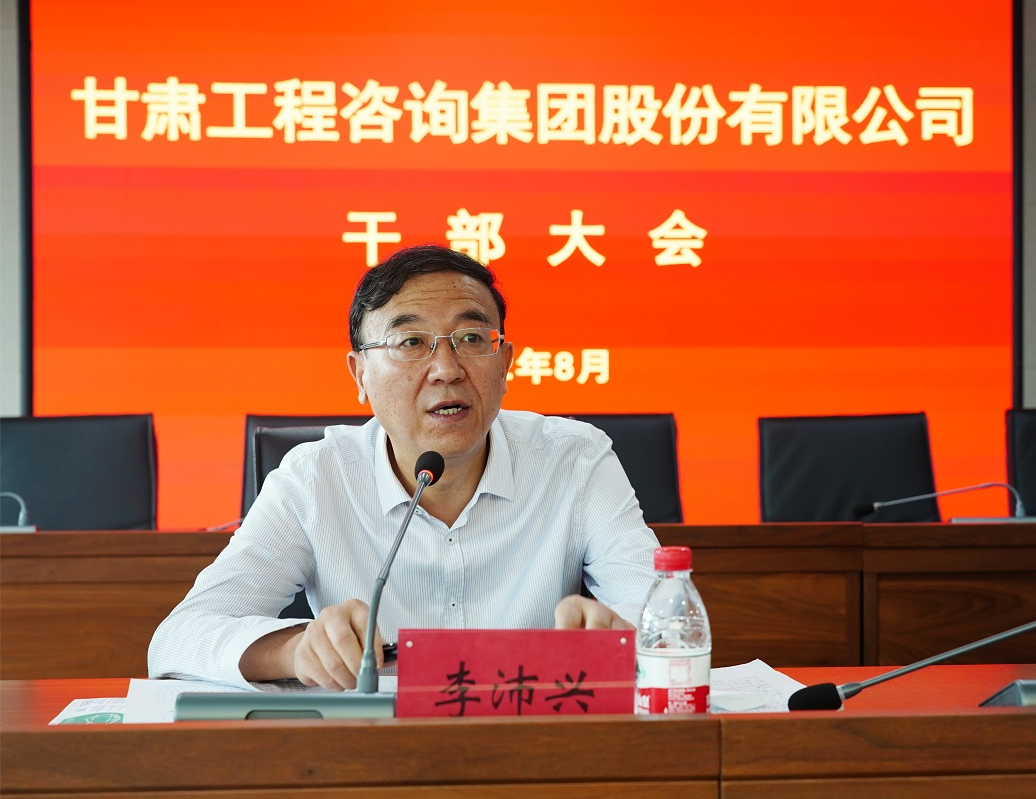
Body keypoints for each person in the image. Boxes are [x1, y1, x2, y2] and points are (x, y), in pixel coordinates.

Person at [149, 244, 660, 690]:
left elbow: (667, 628)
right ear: (360, 375)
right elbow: (177, 640)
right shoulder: (316, 478)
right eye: (411, 343)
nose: (446, 370)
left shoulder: (576, 460)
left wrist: (618, 638)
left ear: (505, 363)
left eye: (471, 339)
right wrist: (295, 649)